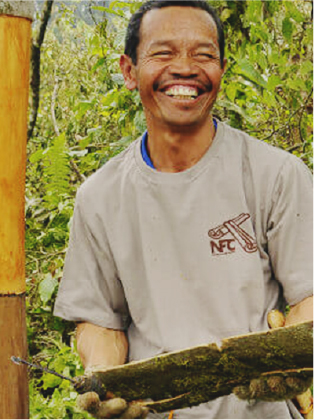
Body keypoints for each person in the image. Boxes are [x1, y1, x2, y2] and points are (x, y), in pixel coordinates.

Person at [54, 1, 313, 418]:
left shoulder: (276, 174)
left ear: (222, 71)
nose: (185, 69)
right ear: (128, 70)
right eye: (163, 53)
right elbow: (100, 319)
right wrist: (105, 375)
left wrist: (296, 352)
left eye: (203, 55)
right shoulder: (100, 197)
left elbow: (308, 296)